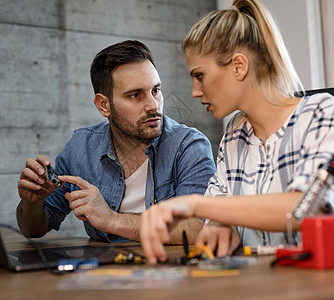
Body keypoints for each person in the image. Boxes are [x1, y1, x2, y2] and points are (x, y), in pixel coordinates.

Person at [140, 0, 334, 264]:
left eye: (200, 75)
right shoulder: (234, 134)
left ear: (238, 66)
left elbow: (305, 209)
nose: (195, 91)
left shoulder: (320, 112)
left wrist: (195, 204)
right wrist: (221, 227)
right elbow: (219, 213)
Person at [16, 40, 216, 243]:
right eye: (136, 95)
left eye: (156, 90)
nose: (153, 105)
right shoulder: (81, 146)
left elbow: (199, 229)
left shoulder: (189, 146)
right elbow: (35, 228)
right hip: (104, 271)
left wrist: (111, 220)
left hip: (170, 271)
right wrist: (32, 202)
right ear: (104, 105)